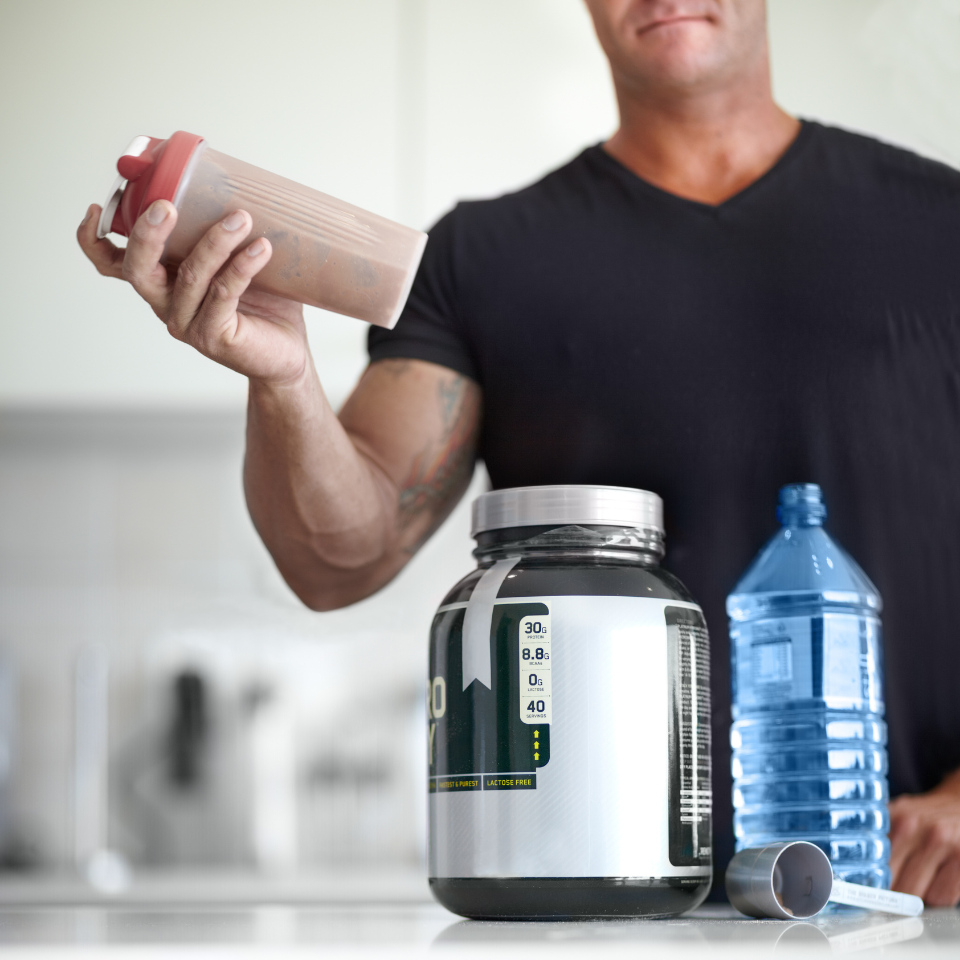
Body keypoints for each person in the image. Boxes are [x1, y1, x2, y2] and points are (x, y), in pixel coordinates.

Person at [78, 0, 960, 905]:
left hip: (908, 908)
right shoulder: (482, 258)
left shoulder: (943, 227)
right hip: (584, 915)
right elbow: (336, 561)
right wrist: (284, 377)